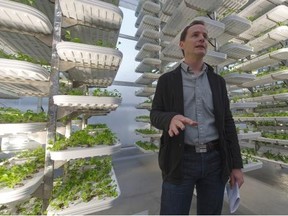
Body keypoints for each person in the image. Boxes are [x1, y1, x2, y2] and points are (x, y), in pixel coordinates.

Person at [150, 20, 244, 215]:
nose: (202, 38)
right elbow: (155, 115)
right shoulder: (167, 81)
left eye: (205, 36)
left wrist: (236, 166)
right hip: (179, 159)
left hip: (215, 161)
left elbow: (227, 122)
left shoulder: (218, 82)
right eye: (195, 35)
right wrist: (170, 119)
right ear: (182, 44)